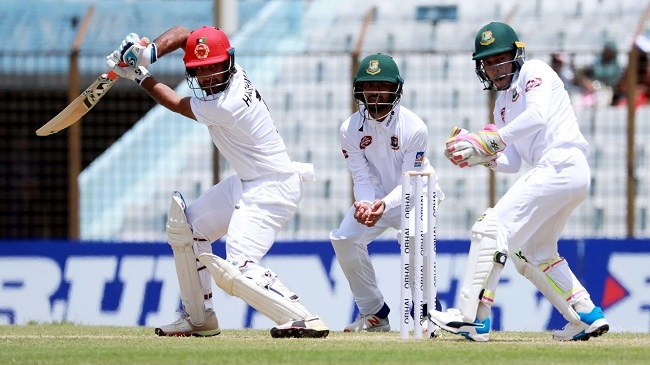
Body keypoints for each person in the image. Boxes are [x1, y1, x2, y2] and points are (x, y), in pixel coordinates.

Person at [106, 26, 329, 338]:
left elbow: (176, 103)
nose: (208, 77)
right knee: (188, 228)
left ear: (229, 62)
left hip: (273, 186)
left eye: (213, 68)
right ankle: (198, 318)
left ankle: (302, 317)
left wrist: (140, 74)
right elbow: (186, 34)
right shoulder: (234, 70)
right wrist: (149, 52)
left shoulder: (227, 104)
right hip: (249, 181)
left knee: (239, 265)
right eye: (200, 70)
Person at [430, 22, 609, 342]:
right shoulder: (501, 106)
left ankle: (472, 318)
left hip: (562, 163)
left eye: (499, 59)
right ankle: (586, 315)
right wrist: (480, 155)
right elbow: (512, 161)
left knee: (491, 227)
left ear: (516, 55)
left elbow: (537, 116)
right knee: (533, 251)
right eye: (486, 62)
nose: (493, 68)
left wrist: (489, 141)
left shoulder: (534, 72)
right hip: (557, 172)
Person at [329, 53, 444, 332]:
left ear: (396, 89)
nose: (375, 94)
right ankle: (374, 313)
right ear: (359, 90)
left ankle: (428, 312)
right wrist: (365, 203)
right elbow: (361, 176)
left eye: (381, 86)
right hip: (379, 196)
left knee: (415, 238)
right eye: (368, 87)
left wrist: (382, 203)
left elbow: (410, 178)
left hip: (418, 192)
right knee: (344, 239)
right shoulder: (349, 129)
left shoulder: (414, 127)